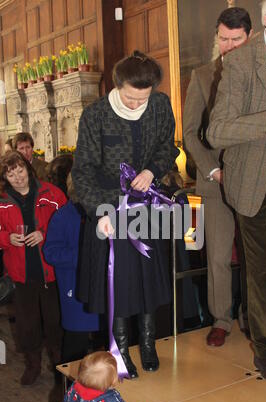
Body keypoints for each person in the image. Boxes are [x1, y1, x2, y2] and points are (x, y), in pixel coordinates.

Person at [207, 0, 266, 383]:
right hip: (255, 183)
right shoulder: (240, 63)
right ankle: (265, 350)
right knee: (262, 272)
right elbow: (217, 131)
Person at [72, 50, 179, 379]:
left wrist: (152, 169)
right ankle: (120, 350)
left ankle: (147, 343)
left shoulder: (160, 105)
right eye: (130, 98)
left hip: (145, 205)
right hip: (108, 208)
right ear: (117, 86)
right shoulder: (95, 115)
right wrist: (100, 211)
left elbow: (167, 146)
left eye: (142, 98)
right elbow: (83, 171)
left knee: (146, 280)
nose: (136, 104)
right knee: (116, 282)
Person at [183, 7, 253, 347]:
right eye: (223, 39)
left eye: (236, 40)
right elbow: (190, 133)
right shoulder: (201, 76)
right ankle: (221, 319)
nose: (229, 46)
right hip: (215, 183)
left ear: (249, 38)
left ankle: (254, 317)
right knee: (218, 257)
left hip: (254, 181)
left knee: (258, 257)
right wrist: (213, 169)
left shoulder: (261, 76)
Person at [0, 151, 66, 385]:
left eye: (20, 170)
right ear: (5, 178)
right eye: (11, 174)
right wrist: (8, 238)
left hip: (50, 271)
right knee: (28, 325)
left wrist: (44, 234)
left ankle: (61, 366)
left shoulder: (52, 193)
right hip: (21, 275)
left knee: (54, 321)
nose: (17, 177)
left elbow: (68, 223)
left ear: (28, 168)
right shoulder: (2, 202)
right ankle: (33, 365)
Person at [43, 174, 101, 362]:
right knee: (75, 346)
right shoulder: (63, 216)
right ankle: (70, 388)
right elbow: (51, 252)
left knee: (108, 342)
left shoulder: (105, 212)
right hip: (75, 287)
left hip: (102, 287)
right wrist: (83, 258)